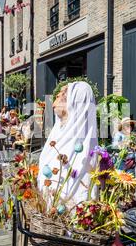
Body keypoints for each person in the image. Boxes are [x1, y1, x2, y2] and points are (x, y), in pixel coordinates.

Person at [38, 81, 98, 210]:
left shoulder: (84, 145)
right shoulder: (58, 132)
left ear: (72, 102)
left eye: (58, 98)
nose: (53, 104)